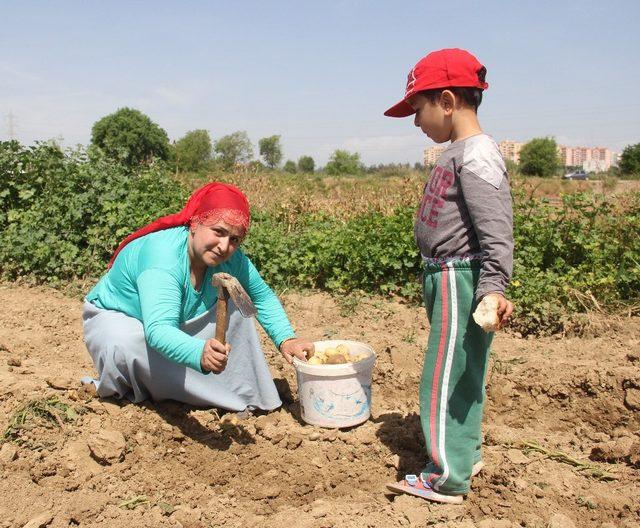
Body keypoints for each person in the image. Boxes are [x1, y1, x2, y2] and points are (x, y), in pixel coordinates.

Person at [383, 48, 515, 504]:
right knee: (463, 373)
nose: (415, 121)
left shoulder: (477, 153)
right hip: (447, 276)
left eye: (416, 109)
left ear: (444, 100)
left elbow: (496, 227)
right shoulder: (459, 151)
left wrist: (493, 286)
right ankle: (464, 452)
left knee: (443, 375)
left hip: (461, 276)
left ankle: (446, 476)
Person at [82, 181, 314, 412]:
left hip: (176, 323)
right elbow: (158, 329)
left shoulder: (233, 259)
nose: (224, 246)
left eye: (234, 239)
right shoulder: (163, 257)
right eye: (219, 232)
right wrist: (198, 352)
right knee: (122, 342)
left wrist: (286, 339)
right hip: (127, 319)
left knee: (239, 305)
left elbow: (260, 297)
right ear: (195, 224)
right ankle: (149, 390)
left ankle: (239, 394)